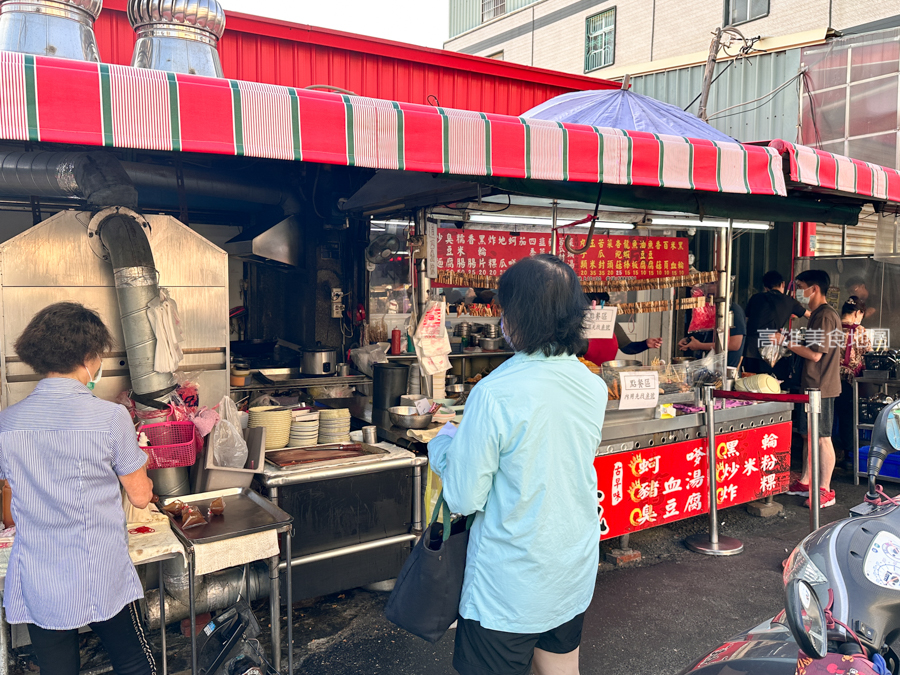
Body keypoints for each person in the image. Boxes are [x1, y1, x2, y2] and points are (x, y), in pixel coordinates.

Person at [428, 254, 607, 675]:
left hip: (510, 582)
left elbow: (465, 495)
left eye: (504, 310)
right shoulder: (591, 385)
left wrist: (442, 444)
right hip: (571, 567)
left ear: (518, 316)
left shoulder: (495, 392)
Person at [0, 303, 156, 675]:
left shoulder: (7, 423)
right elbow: (141, 496)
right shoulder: (110, 417)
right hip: (99, 570)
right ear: (89, 356)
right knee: (135, 662)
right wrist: (141, 464)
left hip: (39, 575)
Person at [776, 270, 842, 508]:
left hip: (821, 387)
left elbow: (815, 354)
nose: (798, 293)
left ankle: (825, 489)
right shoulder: (817, 316)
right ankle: (805, 481)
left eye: (801, 286)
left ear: (814, 289)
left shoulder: (825, 316)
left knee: (822, 437)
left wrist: (786, 342)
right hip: (812, 385)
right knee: (808, 436)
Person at [742, 270, 809, 375]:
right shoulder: (789, 301)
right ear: (783, 284)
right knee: (768, 383)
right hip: (769, 351)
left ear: (765, 287)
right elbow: (810, 315)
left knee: (749, 382)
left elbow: (746, 321)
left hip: (750, 349)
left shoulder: (755, 298)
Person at [582, 292, 663, 367]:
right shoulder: (578, 327)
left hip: (606, 373)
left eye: (606, 304)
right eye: (600, 304)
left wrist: (645, 344)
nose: (605, 307)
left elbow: (627, 347)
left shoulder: (612, 326)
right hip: (583, 375)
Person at [835, 296, 871, 460]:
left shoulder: (832, 327)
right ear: (858, 313)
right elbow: (868, 354)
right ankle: (849, 453)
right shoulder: (860, 331)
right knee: (847, 417)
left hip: (830, 378)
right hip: (849, 382)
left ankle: (831, 451)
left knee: (828, 416)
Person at [678, 282, 746, 369]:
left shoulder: (733, 310)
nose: (706, 287)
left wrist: (699, 346)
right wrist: (688, 340)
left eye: (711, 283)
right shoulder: (710, 308)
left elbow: (734, 345)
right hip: (707, 366)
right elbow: (707, 334)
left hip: (724, 368)